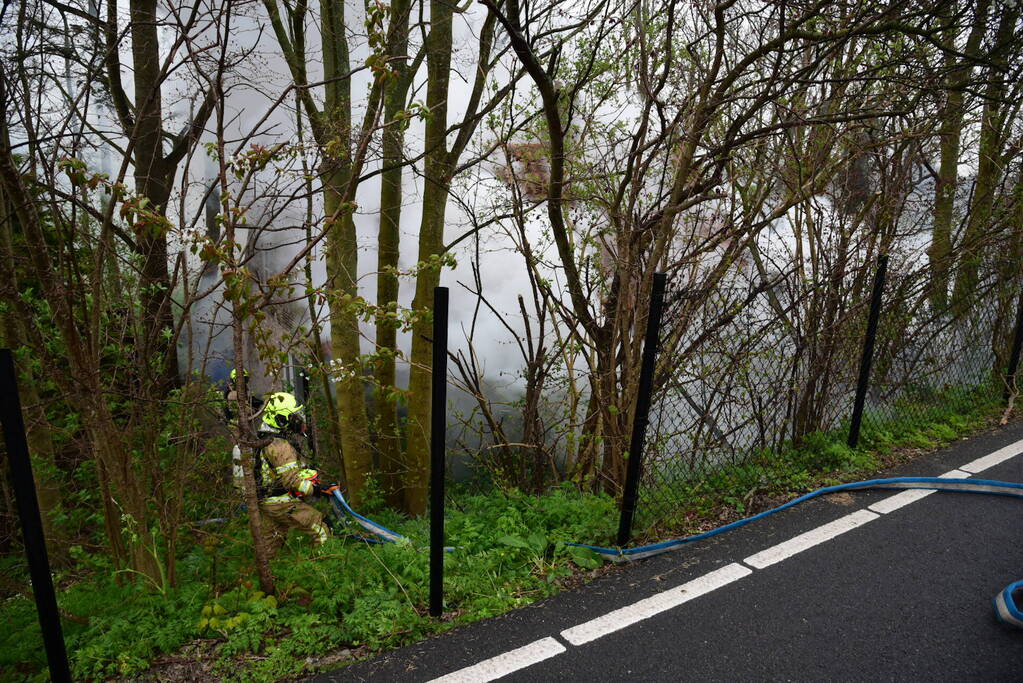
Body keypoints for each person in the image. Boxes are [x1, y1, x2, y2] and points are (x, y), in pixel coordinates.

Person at [254, 392, 332, 555]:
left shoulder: (263, 437)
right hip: (280, 503)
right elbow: (292, 482)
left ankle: (267, 577)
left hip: (266, 502)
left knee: (271, 547)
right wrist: (318, 490)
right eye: (293, 417)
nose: (299, 421)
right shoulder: (280, 445)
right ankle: (320, 572)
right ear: (280, 419)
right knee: (321, 527)